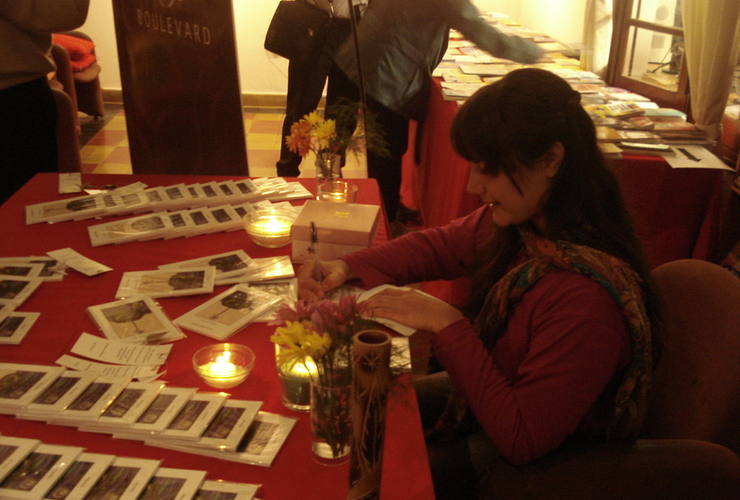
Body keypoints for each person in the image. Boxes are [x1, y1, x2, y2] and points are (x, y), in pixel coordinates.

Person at [297, 68, 662, 498]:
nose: (473, 186)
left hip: (540, 467)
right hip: (496, 402)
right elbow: (441, 246)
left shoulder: (586, 302)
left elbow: (522, 440)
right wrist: (349, 267)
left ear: (551, 160)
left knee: (370, 462)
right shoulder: (533, 224)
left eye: (488, 171)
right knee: (355, 412)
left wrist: (448, 325)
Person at [330, 0, 544, 222]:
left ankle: (375, 206)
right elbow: (474, 26)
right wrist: (530, 52)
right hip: (389, 68)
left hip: (365, 52)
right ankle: (383, 217)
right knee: (387, 150)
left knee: (371, 145)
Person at [0, 0, 90, 205]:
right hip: (15, 95)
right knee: (25, 206)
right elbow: (66, 13)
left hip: (15, 96)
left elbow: (67, 12)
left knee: (26, 205)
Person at [274, 0, 362, 178]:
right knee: (301, 107)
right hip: (316, 23)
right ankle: (287, 172)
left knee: (344, 110)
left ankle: (331, 170)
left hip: (356, 28)